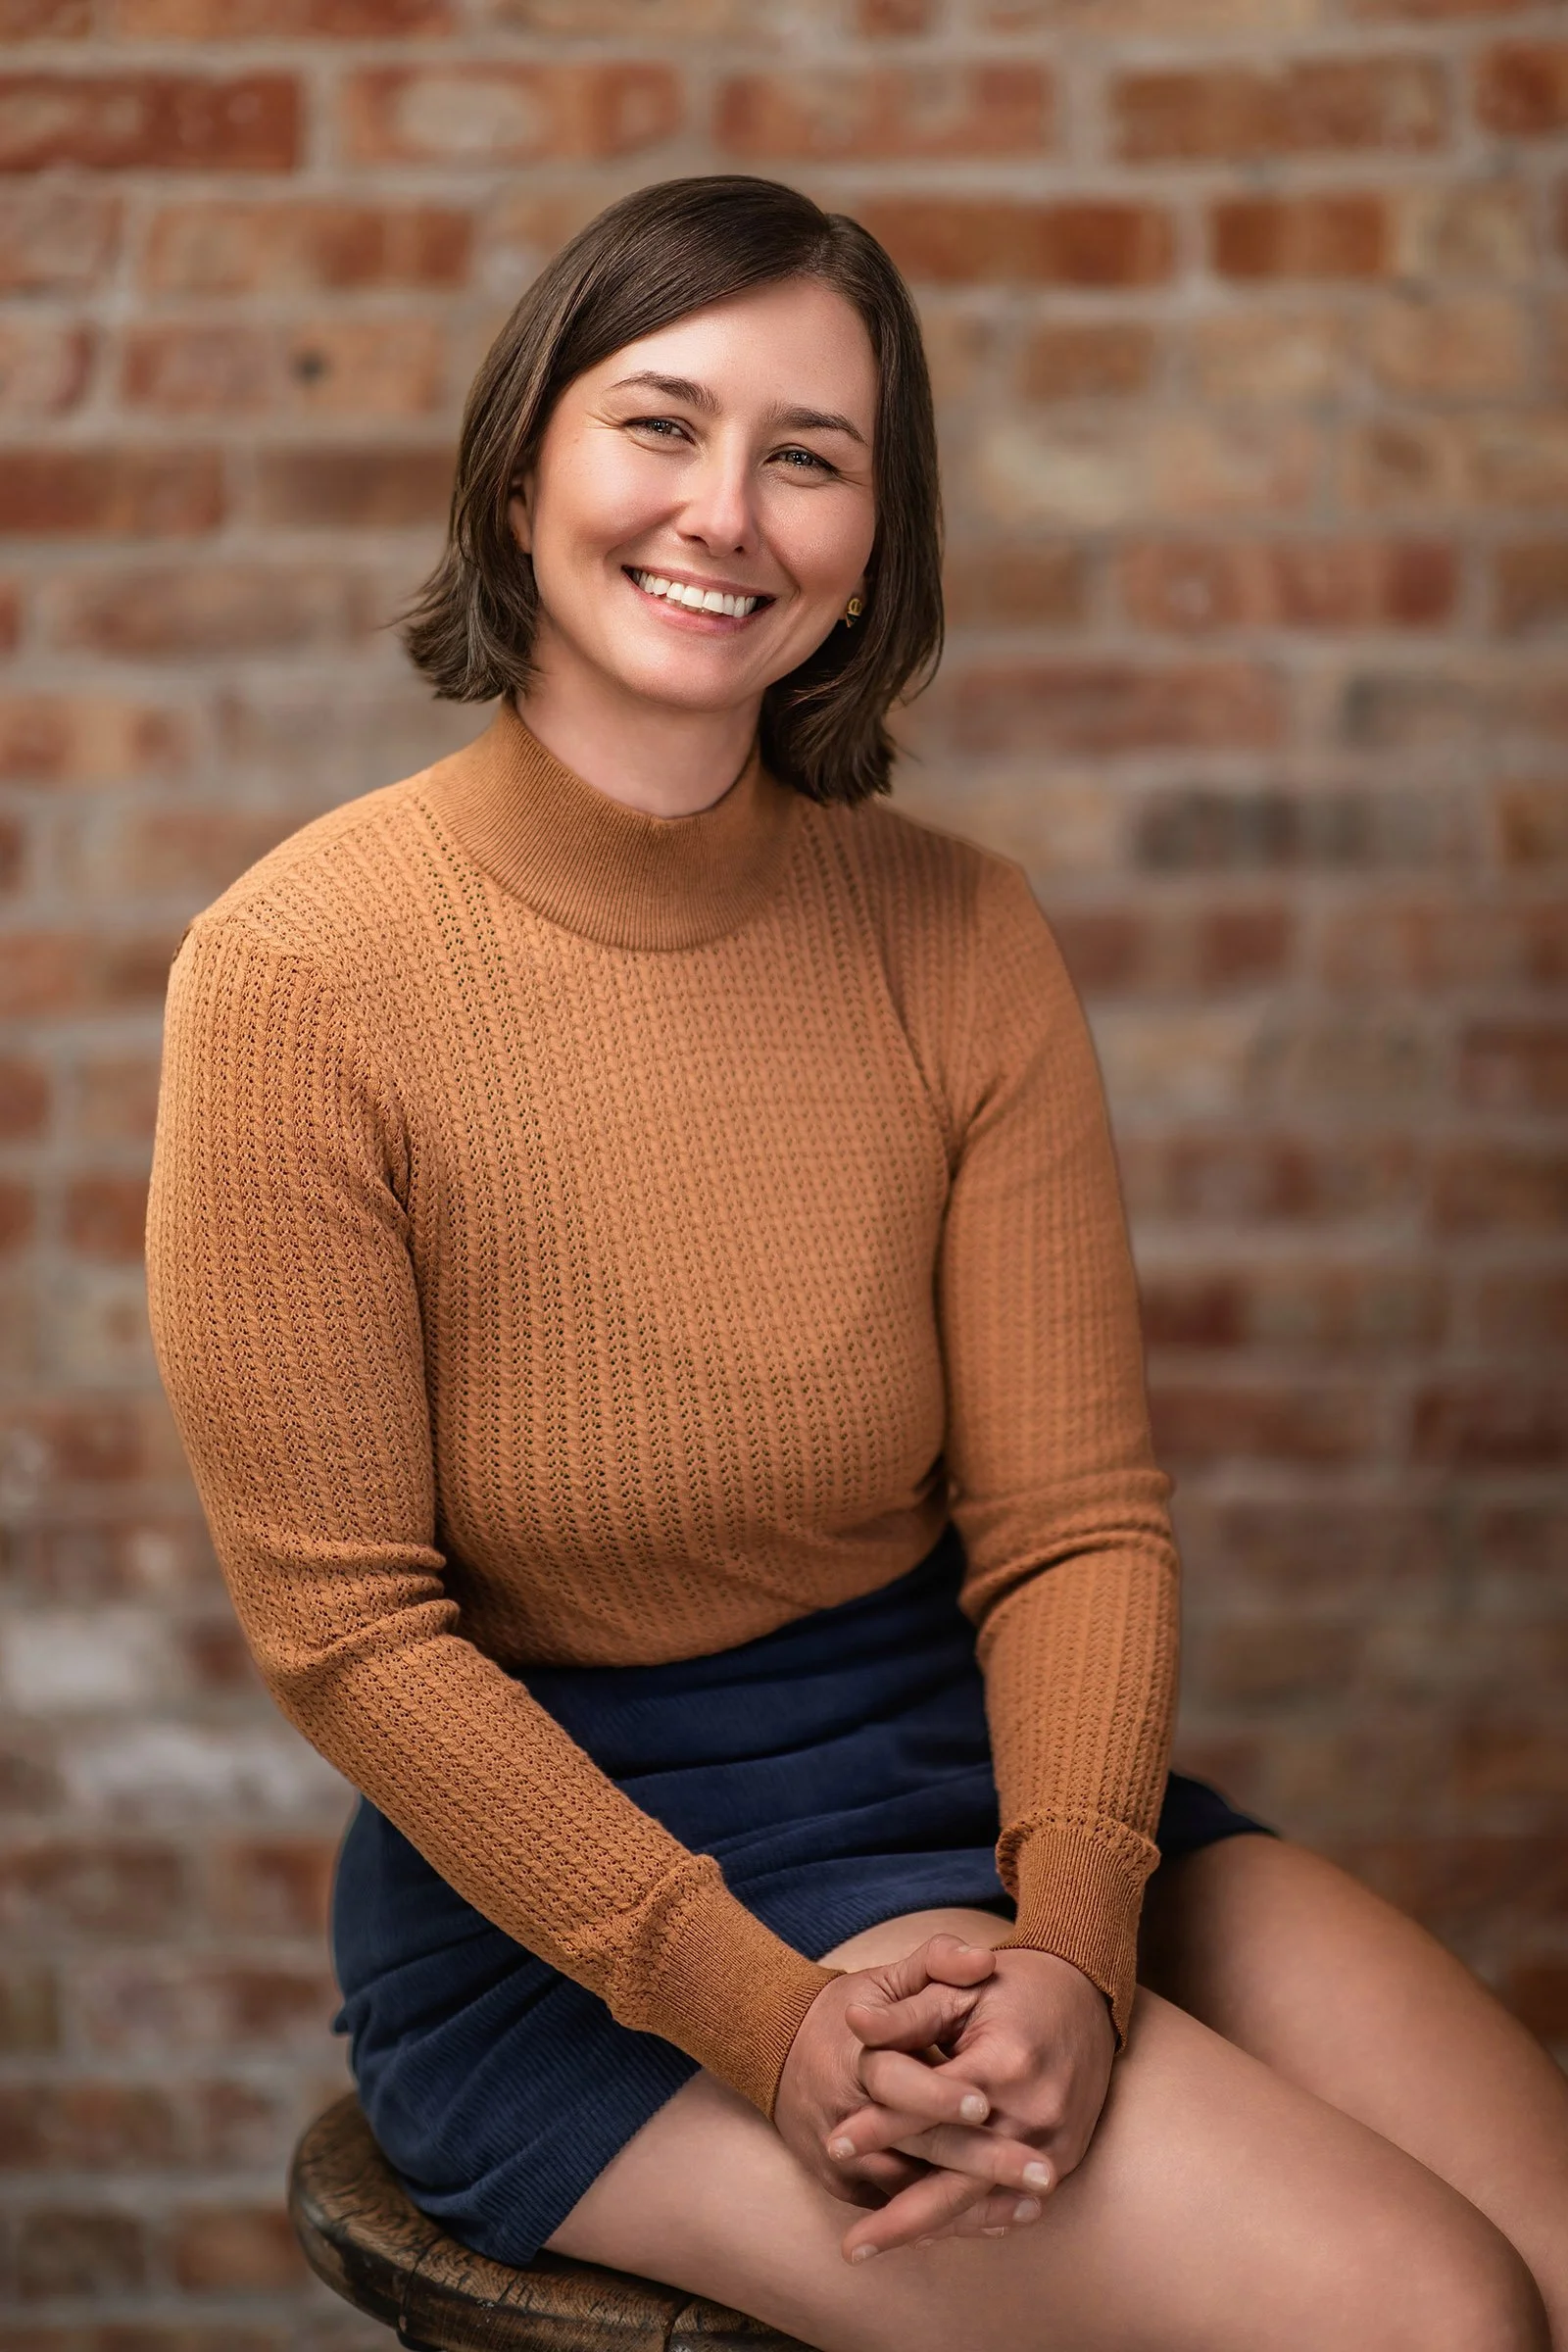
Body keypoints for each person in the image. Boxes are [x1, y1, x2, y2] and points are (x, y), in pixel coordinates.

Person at [146, 175, 1567, 2352]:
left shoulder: (958, 932)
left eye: (806, 458)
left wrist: (1074, 1942)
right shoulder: (299, 973)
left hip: (974, 1782)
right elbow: (348, 1638)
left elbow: (1073, 1522)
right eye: (661, 425)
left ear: (868, 542)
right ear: (522, 457)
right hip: (574, 1920)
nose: (725, 512)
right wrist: (755, 2007)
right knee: (1425, 2317)